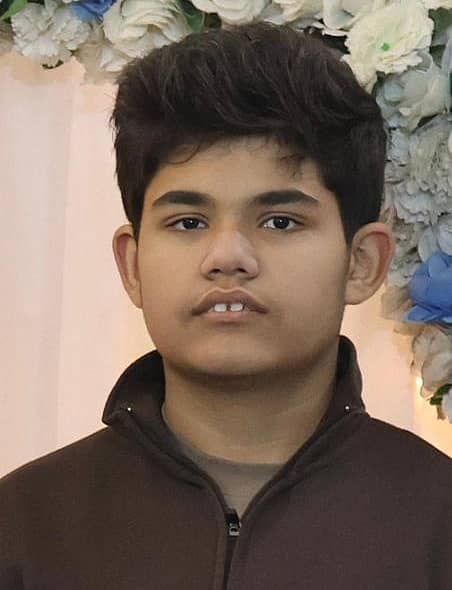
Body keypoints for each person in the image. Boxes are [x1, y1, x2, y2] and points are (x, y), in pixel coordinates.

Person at [1, 20, 451, 590]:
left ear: (361, 263)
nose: (228, 256)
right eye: (188, 222)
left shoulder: (438, 523)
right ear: (133, 266)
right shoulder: (25, 526)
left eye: (280, 221)